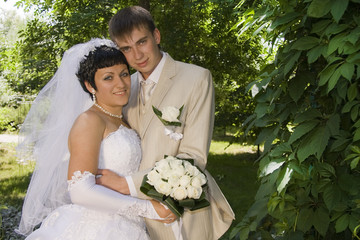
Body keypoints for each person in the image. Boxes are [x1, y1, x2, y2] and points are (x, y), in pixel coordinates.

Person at [96, 6, 235, 240]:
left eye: (142, 42)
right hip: (133, 217)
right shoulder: (122, 87)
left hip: (181, 210)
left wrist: (127, 184)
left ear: (156, 36)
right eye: (127, 49)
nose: (137, 55)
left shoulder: (196, 78)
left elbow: (193, 157)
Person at [15, 38, 175, 239]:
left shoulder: (121, 119)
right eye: (108, 78)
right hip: (100, 228)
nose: (121, 83)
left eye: (124, 74)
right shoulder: (89, 120)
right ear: (90, 85)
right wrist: (149, 209)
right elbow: (81, 191)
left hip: (129, 225)